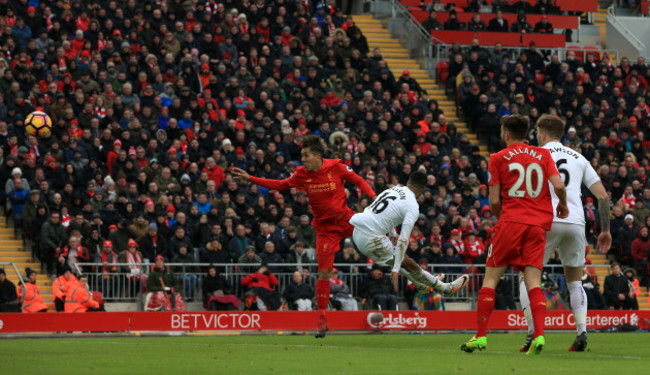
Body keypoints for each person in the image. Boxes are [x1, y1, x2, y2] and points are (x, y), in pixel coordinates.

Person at [232, 134, 376, 338]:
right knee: (324, 273)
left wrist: (373, 197)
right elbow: (280, 185)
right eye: (302, 155)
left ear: (317, 155)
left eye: (306, 155)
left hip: (346, 219)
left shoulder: (336, 167)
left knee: (376, 239)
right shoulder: (301, 174)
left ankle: (402, 258)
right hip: (325, 229)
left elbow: (359, 181)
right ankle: (322, 319)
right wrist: (251, 178)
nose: (303, 159)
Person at [461, 114, 568, 354]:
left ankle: (480, 337)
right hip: (537, 227)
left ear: (506, 133)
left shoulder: (497, 158)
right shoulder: (543, 155)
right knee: (533, 282)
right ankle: (539, 336)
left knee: (490, 280)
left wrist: (504, 219)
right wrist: (563, 205)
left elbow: (495, 201)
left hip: (510, 222)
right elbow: (559, 186)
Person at [518, 115, 612, 352]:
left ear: (542, 132)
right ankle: (581, 332)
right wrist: (606, 230)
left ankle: (533, 333)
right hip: (575, 222)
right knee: (575, 280)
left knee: (526, 276)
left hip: (545, 221)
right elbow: (602, 196)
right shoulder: (579, 158)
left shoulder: (536, 155)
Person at [350, 169, 469, 297]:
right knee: (406, 262)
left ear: (408, 182)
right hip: (371, 238)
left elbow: (378, 213)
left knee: (398, 260)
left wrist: (391, 233)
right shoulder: (412, 206)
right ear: (422, 189)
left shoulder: (392, 190)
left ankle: (421, 285)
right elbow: (403, 240)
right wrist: (395, 270)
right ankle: (446, 288)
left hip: (357, 232)